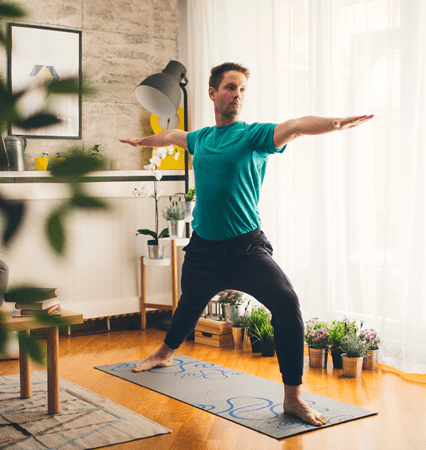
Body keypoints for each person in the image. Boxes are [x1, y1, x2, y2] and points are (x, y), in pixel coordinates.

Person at [120, 62, 372, 426]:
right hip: (204, 247)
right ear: (212, 93)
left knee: (287, 304)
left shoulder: (254, 136)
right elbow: (174, 135)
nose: (236, 95)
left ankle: (293, 397)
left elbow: (298, 125)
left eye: (241, 90)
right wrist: (145, 141)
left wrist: (334, 124)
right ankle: (164, 352)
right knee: (189, 303)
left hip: (246, 249)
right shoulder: (201, 138)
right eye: (230, 88)